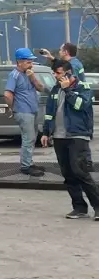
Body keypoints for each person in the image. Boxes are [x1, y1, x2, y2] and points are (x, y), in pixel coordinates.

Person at [40, 65, 99, 219]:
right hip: (59, 137)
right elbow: (49, 113)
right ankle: (79, 208)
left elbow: (80, 105)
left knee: (80, 171)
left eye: (58, 73)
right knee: (68, 174)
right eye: (54, 72)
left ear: (68, 73)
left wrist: (67, 90)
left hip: (78, 135)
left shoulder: (83, 88)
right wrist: (46, 132)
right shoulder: (55, 89)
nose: (55, 75)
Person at [5, 48, 46, 177]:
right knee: (28, 139)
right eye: (28, 62)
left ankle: (29, 162)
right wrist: (11, 108)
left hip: (33, 110)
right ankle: (26, 166)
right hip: (23, 111)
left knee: (32, 138)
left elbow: (41, 88)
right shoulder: (14, 75)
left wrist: (33, 78)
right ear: (20, 62)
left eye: (31, 62)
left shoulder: (29, 74)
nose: (31, 64)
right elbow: (7, 94)